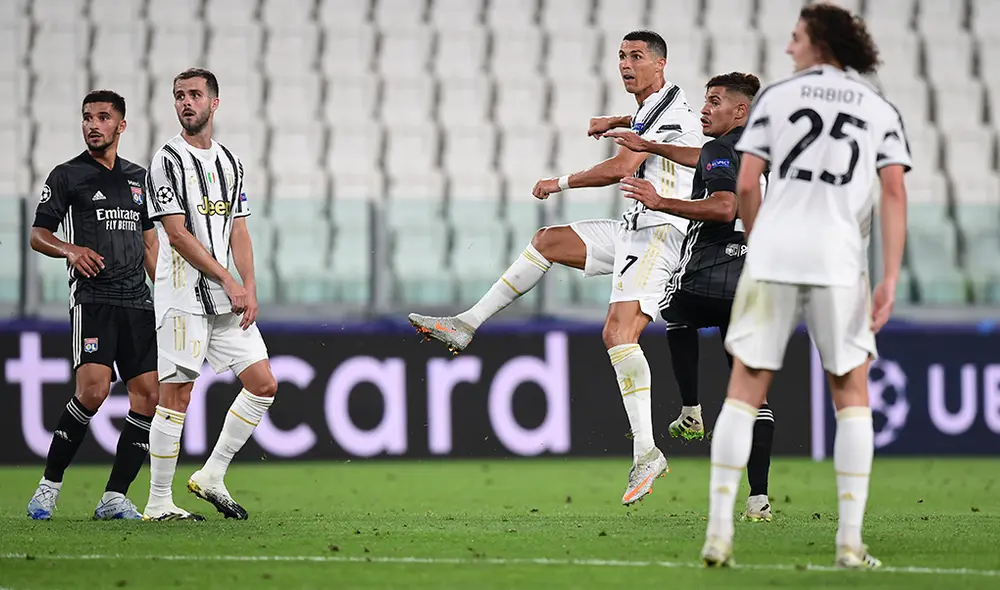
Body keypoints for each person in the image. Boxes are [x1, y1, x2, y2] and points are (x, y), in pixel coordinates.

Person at [408, 30, 702, 505]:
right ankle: (466, 324)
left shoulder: (669, 109)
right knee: (548, 241)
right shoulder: (657, 106)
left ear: (661, 64)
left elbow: (621, 168)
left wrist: (558, 182)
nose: (625, 64)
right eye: (621, 56)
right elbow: (648, 126)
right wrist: (617, 118)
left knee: (618, 334)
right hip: (632, 226)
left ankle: (647, 452)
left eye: (637, 57)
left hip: (660, 233)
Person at [700, 3, 909, 569]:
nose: (789, 47)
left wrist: (761, 238)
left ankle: (719, 533)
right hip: (840, 255)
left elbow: (747, 183)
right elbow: (893, 192)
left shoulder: (776, 100)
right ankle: (849, 541)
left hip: (775, 251)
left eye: (795, 38)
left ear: (819, 43)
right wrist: (889, 275)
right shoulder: (878, 107)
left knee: (744, 388)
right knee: (850, 393)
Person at [608, 72, 776, 522]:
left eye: (715, 101)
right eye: (704, 101)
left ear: (739, 110)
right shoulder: (764, 151)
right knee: (752, 395)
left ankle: (690, 410)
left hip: (714, 268)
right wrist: (653, 146)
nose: (704, 108)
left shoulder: (722, 150)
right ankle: (758, 499)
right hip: (761, 278)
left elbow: (724, 205)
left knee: (670, 304)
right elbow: (703, 159)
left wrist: (661, 202)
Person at [142, 68, 278, 521]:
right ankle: (159, 503)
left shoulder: (232, 163)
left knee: (263, 385)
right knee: (175, 398)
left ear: (214, 103)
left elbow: (239, 228)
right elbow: (176, 235)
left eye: (195, 95)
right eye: (179, 95)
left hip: (226, 296)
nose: (186, 102)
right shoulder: (166, 161)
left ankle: (212, 475)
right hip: (182, 295)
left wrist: (250, 285)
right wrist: (228, 279)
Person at [27, 90, 158, 520]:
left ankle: (114, 497)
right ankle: (48, 487)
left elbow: (149, 244)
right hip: (94, 298)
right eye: (87, 117)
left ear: (121, 126)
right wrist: (69, 250)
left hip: (137, 301)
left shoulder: (140, 179)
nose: (93, 125)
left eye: (103, 118)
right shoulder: (67, 176)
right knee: (94, 391)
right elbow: (38, 234)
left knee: (148, 396)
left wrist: (169, 299)